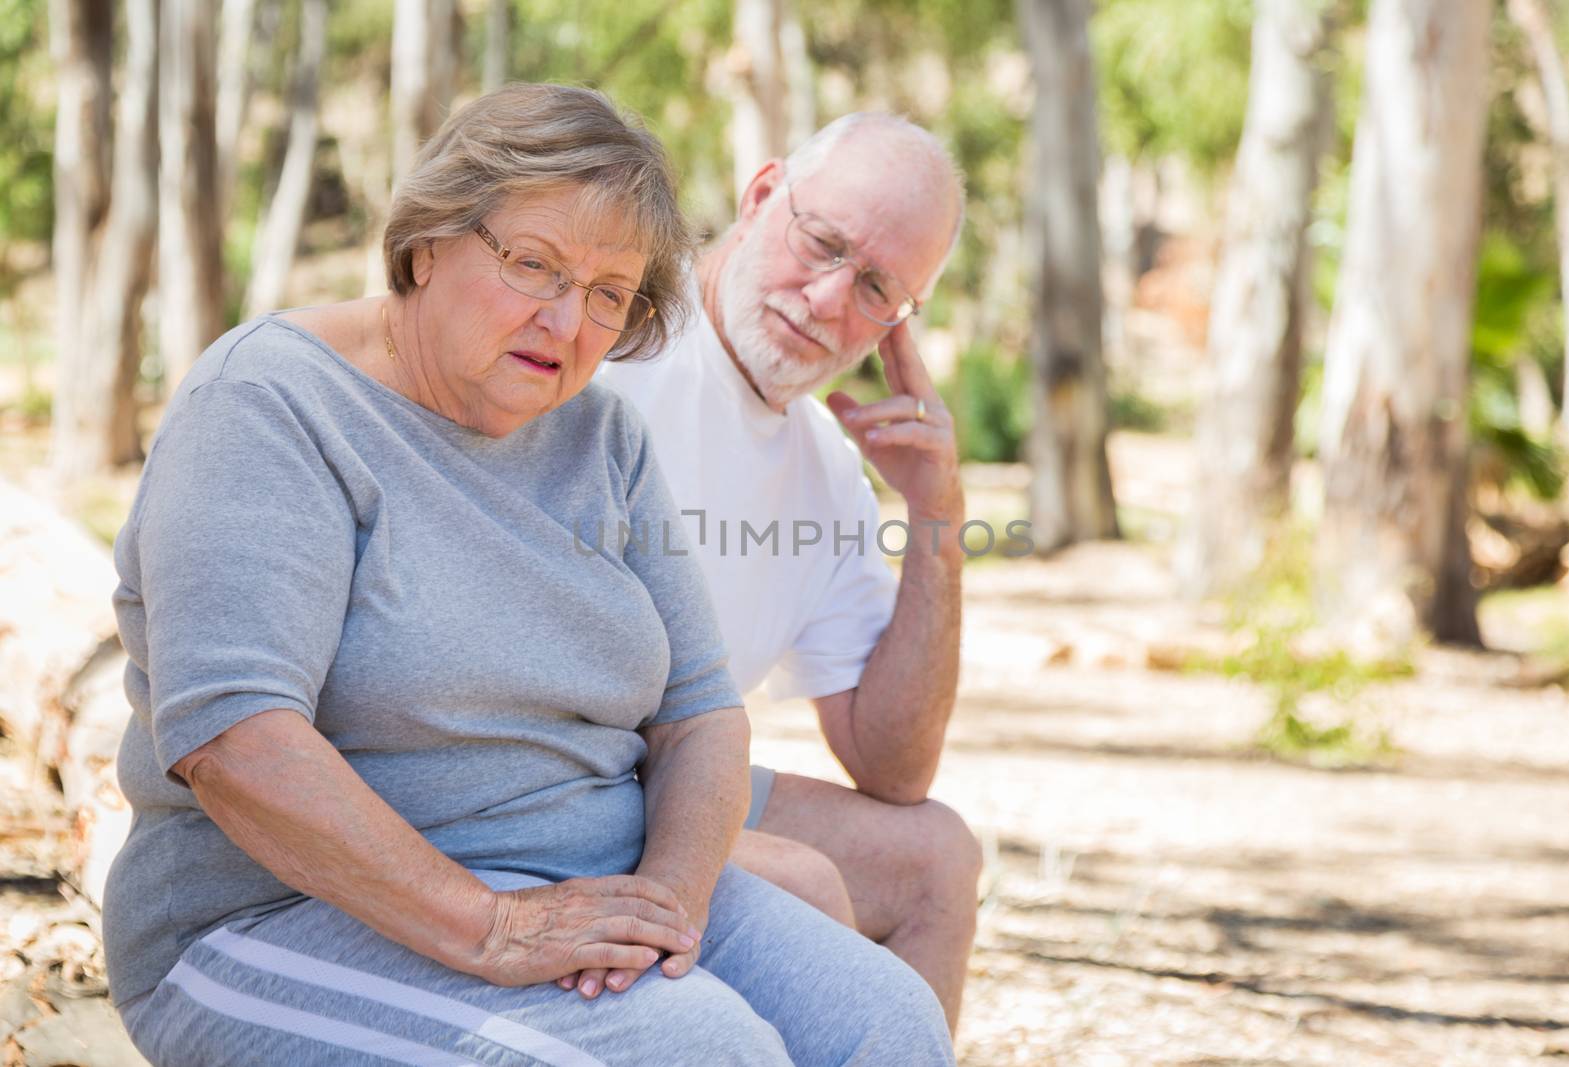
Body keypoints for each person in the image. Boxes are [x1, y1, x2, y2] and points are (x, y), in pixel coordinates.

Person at [102, 84, 953, 1067]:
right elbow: (237, 744)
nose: (567, 320)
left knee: (886, 1020)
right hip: (266, 915)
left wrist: (674, 900)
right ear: (427, 242)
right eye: (532, 265)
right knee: (699, 1051)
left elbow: (702, 713)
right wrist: (491, 925)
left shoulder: (601, 435)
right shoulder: (269, 405)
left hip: (590, 871)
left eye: (607, 294)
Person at [600, 113, 980, 1030]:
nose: (826, 301)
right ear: (763, 194)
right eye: (823, 244)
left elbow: (893, 766)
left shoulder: (827, 467)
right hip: (550, 785)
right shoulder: (611, 340)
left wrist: (937, 517)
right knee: (805, 886)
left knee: (936, 855)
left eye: (878, 288)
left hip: (683, 784)